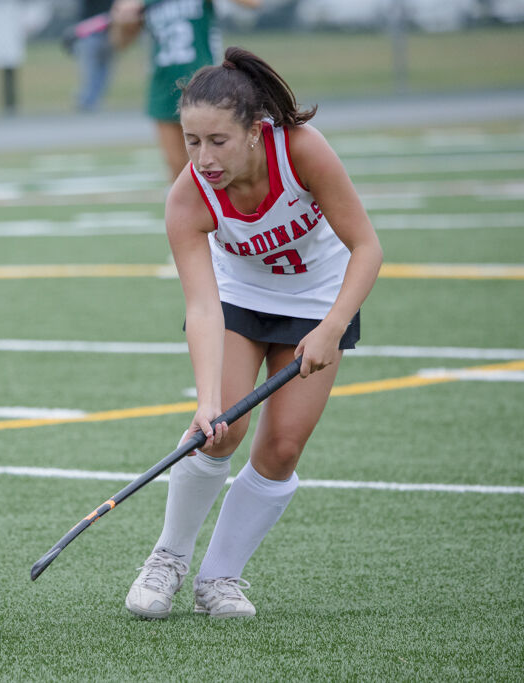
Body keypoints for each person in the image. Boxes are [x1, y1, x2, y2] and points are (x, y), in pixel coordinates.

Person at [124, 47, 383, 620]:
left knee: (283, 445)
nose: (203, 157)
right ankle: (167, 559)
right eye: (192, 141)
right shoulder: (189, 195)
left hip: (319, 301)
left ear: (255, 131)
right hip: (237, 299)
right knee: (221, 430)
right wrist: (207, 401)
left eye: (218, 141)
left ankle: (219, 577)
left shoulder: (302, 152)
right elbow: (201, 304)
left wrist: (331, 328)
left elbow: (367, 247)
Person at [109, 0, 261, 181]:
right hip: (163, 85)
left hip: (207, 84)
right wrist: (123, 21)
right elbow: (119, 42)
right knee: (179, 171)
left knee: (222, 162)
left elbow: (253, 3)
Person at [70, 0, 115, 112]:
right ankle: (86, 100)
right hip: (90, 30)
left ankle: (93, 99)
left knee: (104, 68)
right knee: (91, 67)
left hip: (108, 30)